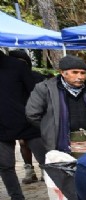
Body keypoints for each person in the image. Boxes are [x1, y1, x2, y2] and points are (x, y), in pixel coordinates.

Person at [26, 55, 86, 159]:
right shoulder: (45, 89)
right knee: (65, 173)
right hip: (61, 143)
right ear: (62, 72)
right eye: (75, 72)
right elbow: (32, 114)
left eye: (83, 73)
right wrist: (51, 129)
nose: (80, 76)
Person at [0, 50, 47, 200]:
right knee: (5, 165)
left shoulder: (17, 66)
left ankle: (62, 197)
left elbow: (35, 93)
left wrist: (35, 116)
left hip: (27, 123)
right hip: (2, 127)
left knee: (47, 162)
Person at [8, 50, 46, 185]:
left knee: (38, 144)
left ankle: (44, 169)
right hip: (19, 117)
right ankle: (29, 169)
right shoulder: (9, 77)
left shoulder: (36, 77)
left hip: (36, 118)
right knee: (23, 144)